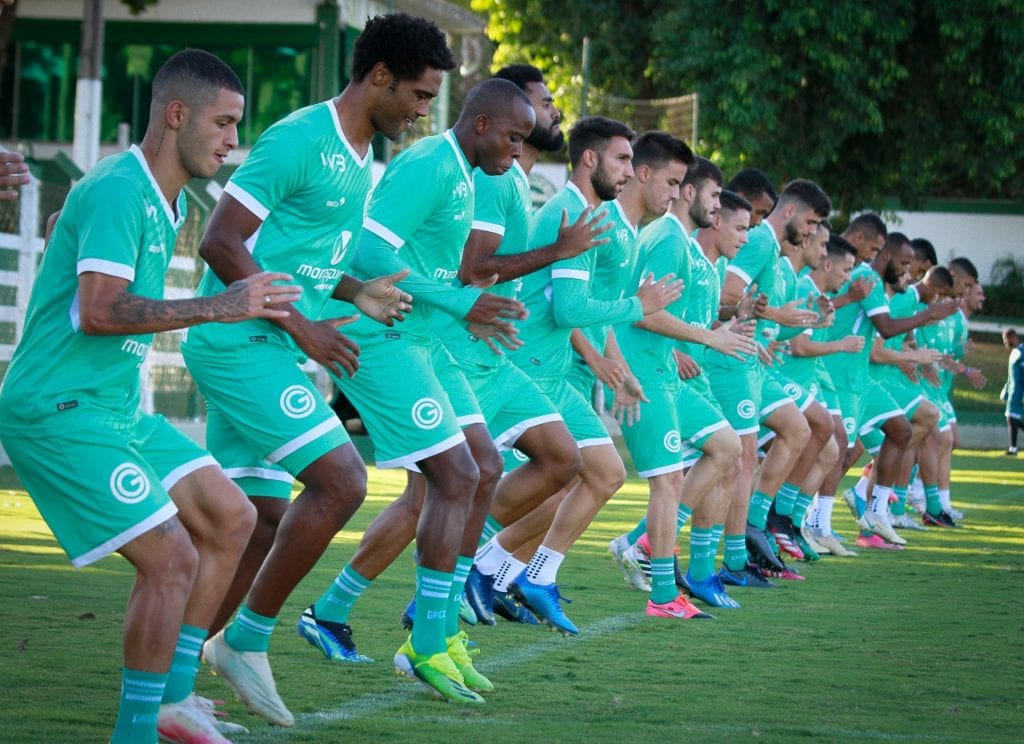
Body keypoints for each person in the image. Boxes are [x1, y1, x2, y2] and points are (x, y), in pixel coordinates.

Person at [0, 49, 301, 744]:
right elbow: (100, 311)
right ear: (176, 114)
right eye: (224, 123)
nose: (233, 141)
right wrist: (222, 306)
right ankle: (137, 731)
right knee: (171, 557)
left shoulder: (156, 201)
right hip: (58, 409)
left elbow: (79, 260)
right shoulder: (117, 187)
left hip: (113, 408)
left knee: (232, 517)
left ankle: (172, 700)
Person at [182, 13, 453, 725]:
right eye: (420, 96)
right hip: (235, 342)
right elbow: (221, 241)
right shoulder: (304, 136)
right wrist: (303, 328)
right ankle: (245, 640)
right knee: (342, 480)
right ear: (381, 77)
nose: (423, 113)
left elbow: (298, 253)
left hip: (264, 344)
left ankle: (177, 682)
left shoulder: (366, 158)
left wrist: (354, 291)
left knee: (259, 521)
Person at [326, 77, 536, 704]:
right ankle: (422, 636)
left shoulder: (469, 176)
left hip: (422, 338)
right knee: (453, 476)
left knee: (480, 469)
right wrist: (464, 300)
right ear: (480, 126)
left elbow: (445, 270)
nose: (519, 150)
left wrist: (463, 305)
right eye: (514, 136)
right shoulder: (429, 164)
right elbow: (366, 254)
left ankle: (437, 634)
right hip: (380, 335)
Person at [1001, 330, 1022, 454]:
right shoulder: (1015, 352)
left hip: (1019, 392)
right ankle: (1013, 448)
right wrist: (1006, 391)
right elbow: (1011, 376)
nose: (1005, 342)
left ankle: (1013, 448)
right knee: (1011, 418)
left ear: (1013, 338)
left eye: (1006, 339)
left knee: (1012, 418)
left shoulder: (1021, 352)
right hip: (1013, 392)